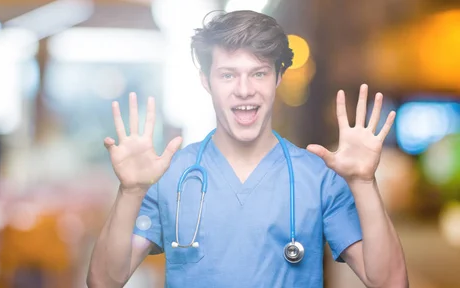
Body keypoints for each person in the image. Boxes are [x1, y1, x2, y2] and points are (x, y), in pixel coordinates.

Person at [86, 10, 408, 288]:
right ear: (206, 81)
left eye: (259, 73)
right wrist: (130, 191)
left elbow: (390, 281)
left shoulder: (318, 178)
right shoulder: (170, 176)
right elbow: (104, 280)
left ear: (278, 77)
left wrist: (364, 183)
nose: (244, 90)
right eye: (228, 75)